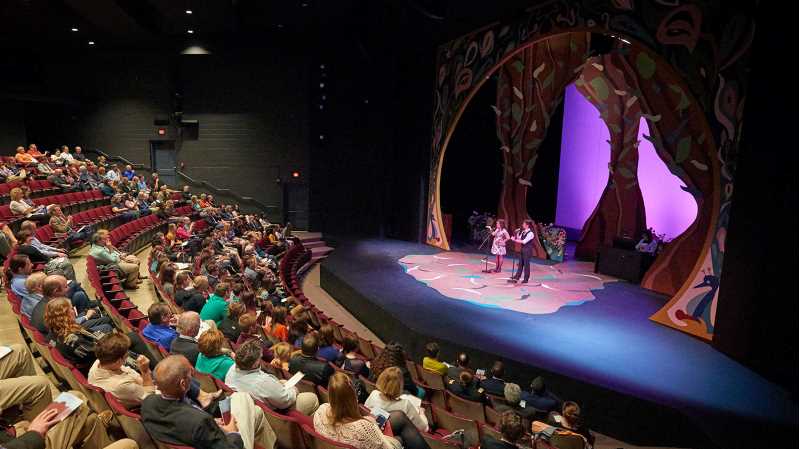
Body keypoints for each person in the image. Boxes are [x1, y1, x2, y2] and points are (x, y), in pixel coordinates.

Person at [142, 355, 276, 449]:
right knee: (242, 396)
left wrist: (213, 424)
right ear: (183, 384)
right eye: (191, 374)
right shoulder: (200, 422)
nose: (193, 374)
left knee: (256, 413)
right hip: (230, 444)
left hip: (199, 435)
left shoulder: (147, 403)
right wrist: (232, 432)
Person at [314, 372, 432, 449]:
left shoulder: (321, 410)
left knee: (398, 417)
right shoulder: (363, 427)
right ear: (353, 397)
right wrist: (373, 426)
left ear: (331, 395)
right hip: (367, 436)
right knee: (400, 435)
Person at [226, 339, 319, 415]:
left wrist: (278, 384)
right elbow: (286, 399)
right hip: (276, 413)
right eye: (260, 357)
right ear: (254, 363)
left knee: (282, 381)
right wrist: (294, 390)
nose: (261, 357)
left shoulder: (231, 369)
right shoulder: (262, 382)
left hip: (251, 406)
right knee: (312, 398)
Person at [88, 331, 155, 409]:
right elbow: (150, 398)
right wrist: (145, 371)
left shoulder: (98, 362)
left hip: (135, 385)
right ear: (118, 361)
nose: (128, 354)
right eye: (127, 354)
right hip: (147, 397)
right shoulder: (122, 385)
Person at [365, 367, 429, 432]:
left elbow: (365, 411)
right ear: (400, 385)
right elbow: (424, 428)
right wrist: (422, 412)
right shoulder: (405, 405)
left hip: (375, 431)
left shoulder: (374, 394)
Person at [508, 219, 535, 284]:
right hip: (522, 250)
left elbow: (524, 241)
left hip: (527, 250)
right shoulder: (523, 232)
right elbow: (519, 238)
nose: (522, 225)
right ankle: (517, 276)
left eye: (524, 224)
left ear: (527, 225)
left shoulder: (531, 233)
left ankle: (526, 279)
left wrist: (515, 240)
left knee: (526, 265)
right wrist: (516, 233)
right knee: (520, 264)